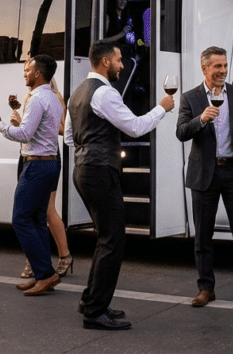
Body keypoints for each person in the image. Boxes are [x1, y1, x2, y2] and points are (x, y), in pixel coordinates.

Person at [65, 40, 174, 330]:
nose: (123, 65)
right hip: (101, 171)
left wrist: (90, 143)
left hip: (83, 169)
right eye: (119, 60)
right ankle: (95, 311)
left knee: (105, 238)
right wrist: (161, 108)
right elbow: (136, 127)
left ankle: (91, 301)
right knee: (114, 241)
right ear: (104, 63)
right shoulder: (105, 94)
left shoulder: (77, 93)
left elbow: (68, 137)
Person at [175, 46, 233, 309]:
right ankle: (206, 288)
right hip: (204, 173)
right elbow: (181, 131)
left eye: (225, 66)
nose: (223, 71)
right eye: (217, 66)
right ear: (205, 69)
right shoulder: (190, 98)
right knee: (203, 236)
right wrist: (200, 119)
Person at [0, 55, 64, 296]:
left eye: (28, 70)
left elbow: (24, 134)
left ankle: (44, 274)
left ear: (38, 73)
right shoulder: (52, 98)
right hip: (50, 164)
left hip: (37, 167)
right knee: (37, 220)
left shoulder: (36, 98)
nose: (25, 73)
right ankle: (46, 274)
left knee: (21, 218)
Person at [19, 75, 73, 280]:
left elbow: (63, 129)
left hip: (46, 155)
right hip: (26, 155)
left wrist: (36, 124)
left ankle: (64, 256)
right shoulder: (29, 97)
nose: (26, 74)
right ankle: (36, 261)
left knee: (47, 210)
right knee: (32, 212)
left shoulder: (54, 97)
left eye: (29, 70)